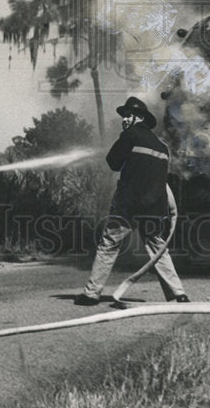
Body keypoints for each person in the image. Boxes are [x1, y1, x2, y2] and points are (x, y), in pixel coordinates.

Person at [74, 96, 189, 306]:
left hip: (128, 206)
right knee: (159, 249)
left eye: (127, 116)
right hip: (154, 207)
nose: (124, 120)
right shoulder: (162, 146)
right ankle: (179, 292)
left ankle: (91, 294)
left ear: (138, 118)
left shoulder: (130, 135)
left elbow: (113, 163)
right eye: (123, 116)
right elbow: (162, 179)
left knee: (108, 245)